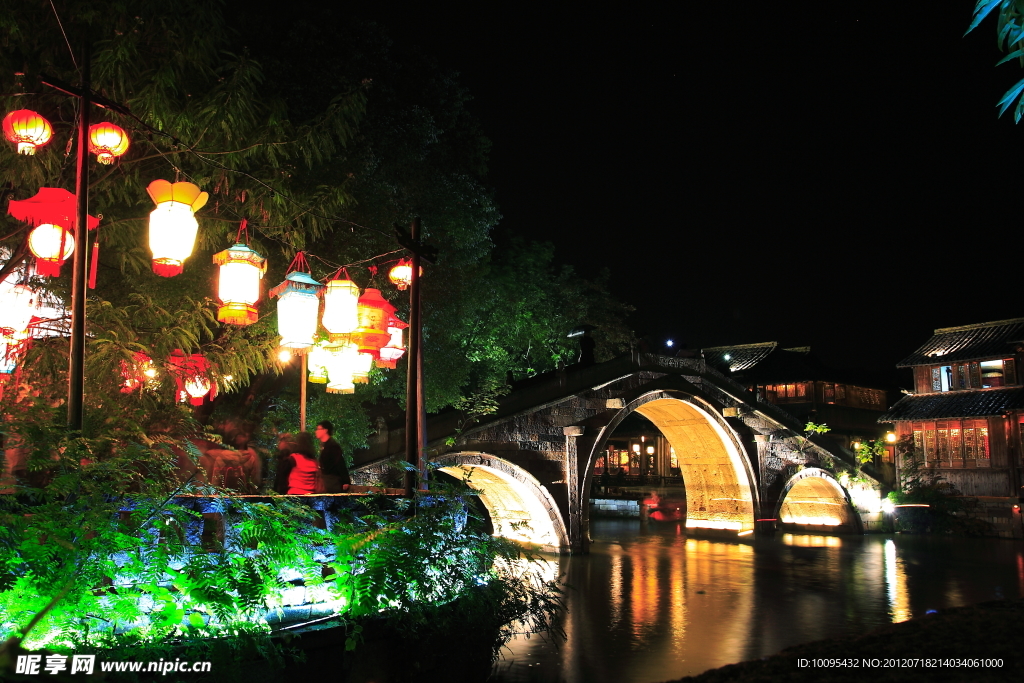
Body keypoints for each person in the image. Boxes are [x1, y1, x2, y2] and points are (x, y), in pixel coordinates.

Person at [314, 420, 351, 493]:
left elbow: (340, 463)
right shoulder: (325, 446)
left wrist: (345, 481)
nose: (316, 431)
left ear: (325, 430)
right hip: (328, 482)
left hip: (332, 483)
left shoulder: (332, 446)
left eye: (318, 429)